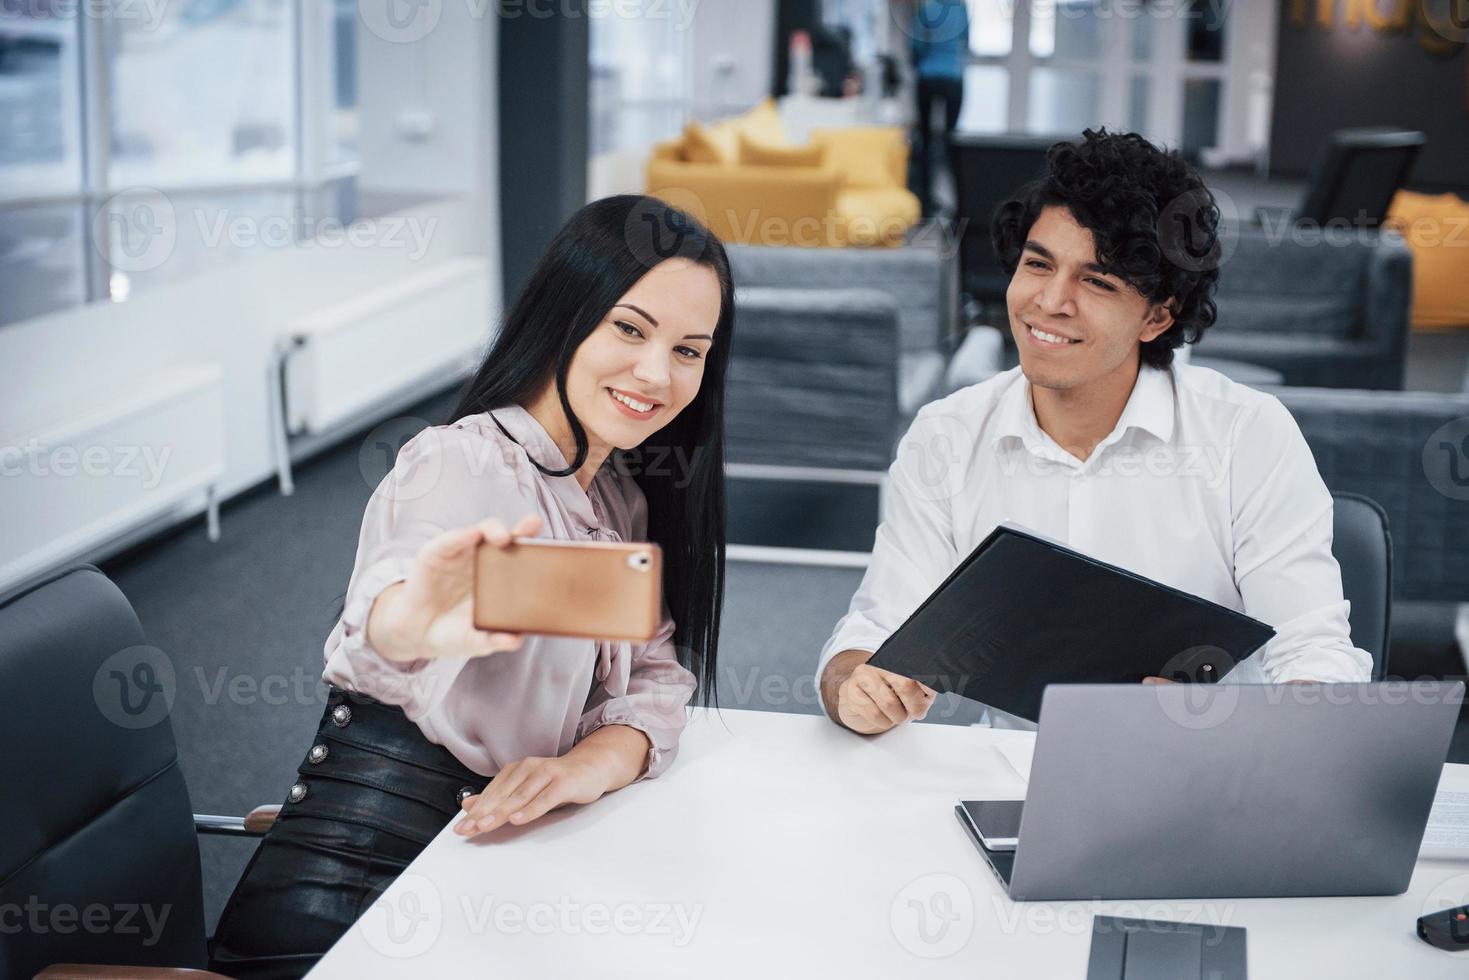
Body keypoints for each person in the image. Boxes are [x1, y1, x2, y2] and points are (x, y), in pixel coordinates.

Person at [208, 195, 734, 977]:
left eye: (689, 350)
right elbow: (382, 623)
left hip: (488, 862)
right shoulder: (459, 462)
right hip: (355, 891)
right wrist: (412, 619)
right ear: (564, 314)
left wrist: (580, 766)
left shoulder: (618, 494)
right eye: (628, 328)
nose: (657, 373)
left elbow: (655, 682)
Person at [817, 129, 1373, 735]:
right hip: (1005, 782)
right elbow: (873, 631)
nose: (1050, 301)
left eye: (1098, 282)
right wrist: (856, 687)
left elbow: (1314, 654)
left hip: (1203, 777)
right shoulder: (947, 434)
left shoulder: (1247, 435)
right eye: (1038, 264)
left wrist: (1235, 726)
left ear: (1158, 315)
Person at [909, 0, 970, 217]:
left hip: (927, 78)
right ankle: (960, 205)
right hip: (953, 78)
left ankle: (924, 204)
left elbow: (916, 45)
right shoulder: (961, 9)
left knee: (924, 140)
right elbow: (966, 42)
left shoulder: (927, 9)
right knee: (951, 142)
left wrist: (923, 63)